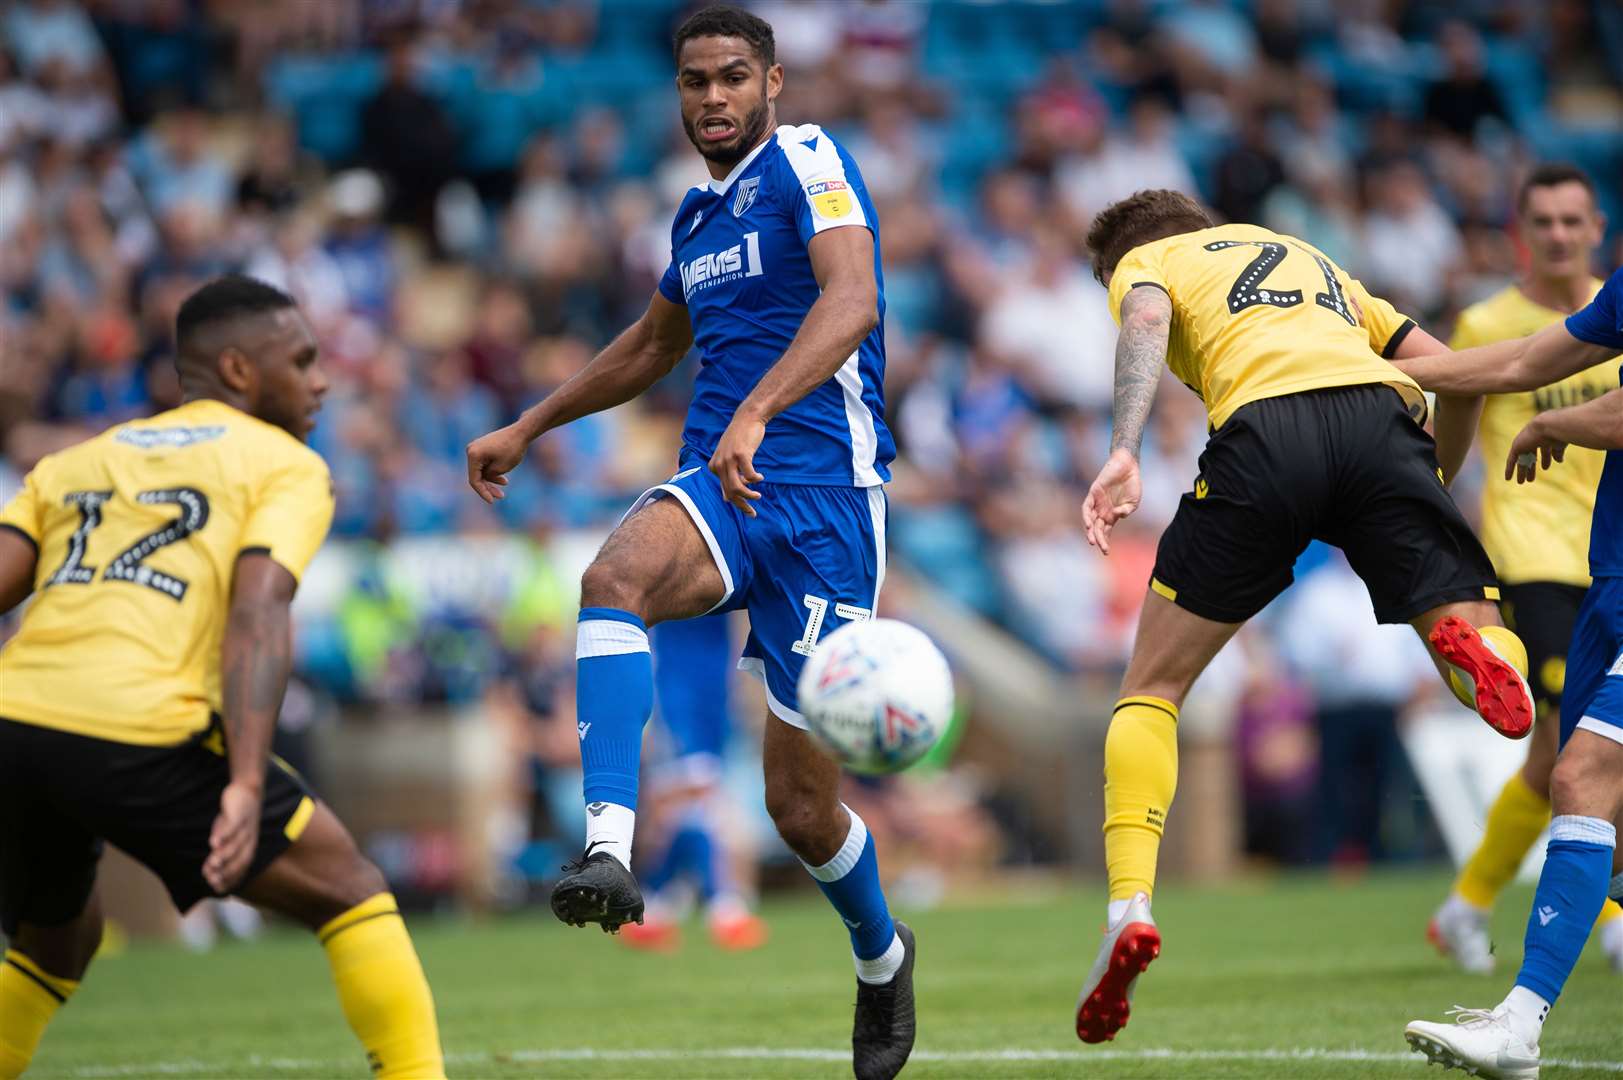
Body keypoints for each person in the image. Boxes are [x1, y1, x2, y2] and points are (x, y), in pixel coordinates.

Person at [464, 8, 913, 1077]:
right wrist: (530, 424)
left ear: (773, 83)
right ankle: (612, 850)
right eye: (693, 82)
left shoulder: (808, 160)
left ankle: (883, 954)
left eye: (730, 78)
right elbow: (653, 344)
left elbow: (852, 300)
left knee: (801, 811)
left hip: (827, 505)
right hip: (720, 486)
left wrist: (758, 408)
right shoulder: (695, 217)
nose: (711, 98)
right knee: (612, 574)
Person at [1075, 189, 1536, 1044]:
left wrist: (1124, 447)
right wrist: (1428, 483)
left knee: (1153, 687)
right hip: (1378, 419)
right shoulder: (1309, 257)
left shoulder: (1151, 260)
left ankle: (1127, 906)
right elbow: (1447, 371)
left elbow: (1142, 322)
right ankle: (1475, 648)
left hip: (1263, 434)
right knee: (1462, 619)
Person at [0, 277, 444, 1080]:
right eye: (302, 360)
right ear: (238, 371)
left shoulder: (75, 461)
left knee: (57, 938)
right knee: (348, 885)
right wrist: (243, 781)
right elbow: (258, 612)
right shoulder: (284, 464)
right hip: (131, 730)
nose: (322, 380)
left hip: (12, 723)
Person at [1401, 266, 1623, 1080]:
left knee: (1578, 774)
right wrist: (1382, 369)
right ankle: (1470, 916)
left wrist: (1563, 426)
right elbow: (1521, 361)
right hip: (1603, 582)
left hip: (1583, 579)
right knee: (1607, 828)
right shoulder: (1505, 311)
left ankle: (1516, 1023)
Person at [1427, 163, 1623, 975]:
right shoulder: (1486, 321)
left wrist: (1562, 422)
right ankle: (1603, 918)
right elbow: (1468, 401)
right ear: (1521, 230)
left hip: (1607, 554)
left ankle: (1464, 906)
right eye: (1540, 221)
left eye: (1570, 221)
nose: (1556, 235)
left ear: (1595, 228)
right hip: (1531, 557)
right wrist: (1431, 488)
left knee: (1556, 758)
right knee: (1572, 743)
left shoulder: (1609, 306)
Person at [620, 614, 769, 952]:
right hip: (672, 681)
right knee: (695, 794)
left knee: (697, 801)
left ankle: (654, 908)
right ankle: (723, 905)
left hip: (716, 682)